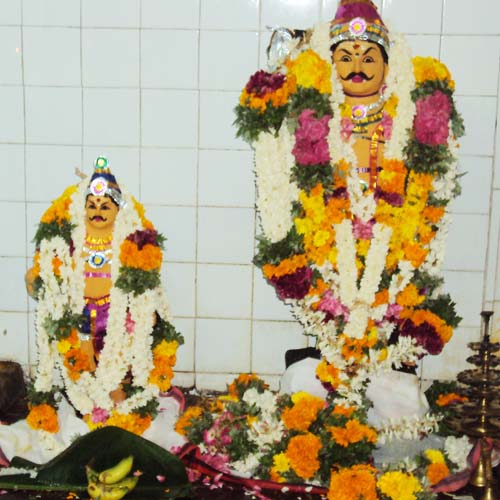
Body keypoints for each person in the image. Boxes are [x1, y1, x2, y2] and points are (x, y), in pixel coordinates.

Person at [236, 0, 463, 429]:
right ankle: (335, 374)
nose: (357, 66)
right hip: (327, 250)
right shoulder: (312, 114)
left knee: (403, 403)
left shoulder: (410, 117)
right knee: (304, 384)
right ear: (330, 64)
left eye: (368, 57)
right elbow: (276, 157)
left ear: (388, 64)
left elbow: (429, 193)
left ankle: (373, 382)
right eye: (345, 57)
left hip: (392, 250)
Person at [2, 157, 185, 463]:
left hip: (118, 317)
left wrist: (148, 310)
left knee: (118, 371)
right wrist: (40, 276)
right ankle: (89, 412)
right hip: (83, 316)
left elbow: (145, 284)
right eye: (92, 205)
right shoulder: (71, 239)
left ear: (118, 211)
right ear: (83, 208)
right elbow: (50, 271)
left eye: (105, 206)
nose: (98, 211)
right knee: (83, 366)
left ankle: (118, 413)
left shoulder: (127, 241)